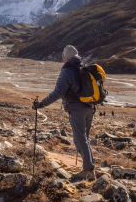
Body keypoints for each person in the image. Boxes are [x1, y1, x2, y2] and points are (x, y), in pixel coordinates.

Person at [33, 45, 96, 180]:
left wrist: (42, 104)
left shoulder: (67, 71)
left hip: (76, 109)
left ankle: (88, 171)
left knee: (80, 140)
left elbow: (58, 93)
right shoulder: (82, 67)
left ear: (65, 58)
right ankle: (90, 169)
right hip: (89, 107)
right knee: (85, 139)